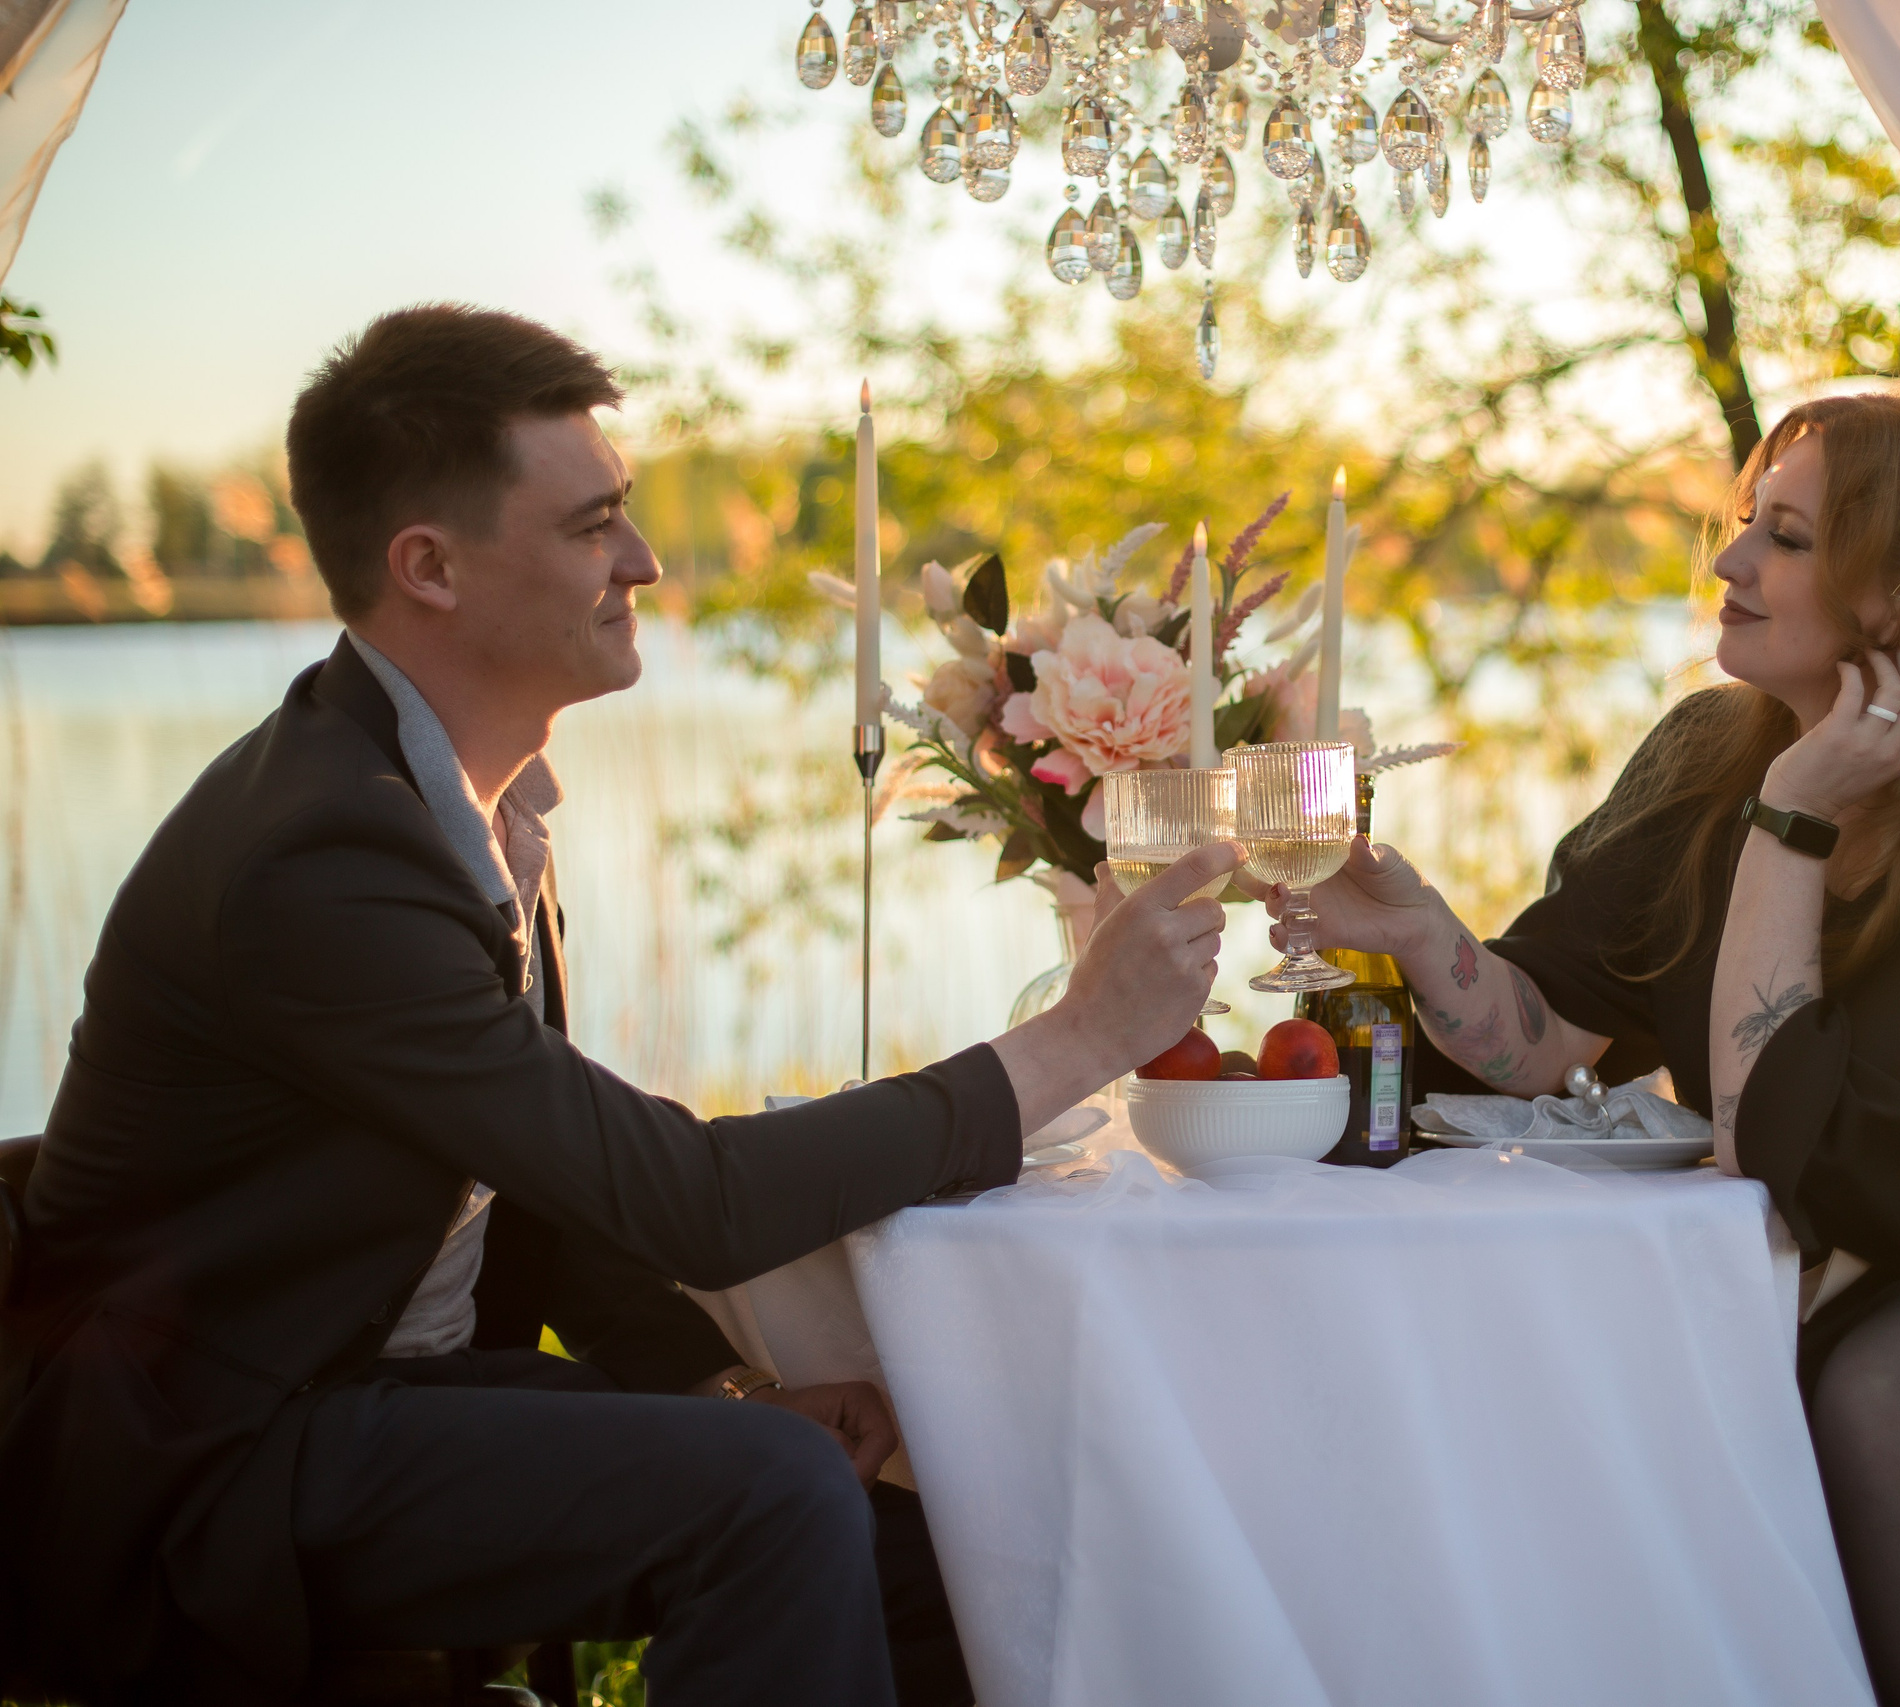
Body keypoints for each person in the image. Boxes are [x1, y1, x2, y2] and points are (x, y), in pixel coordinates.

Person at [0, 304, 1239, 1705]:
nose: (644, 561)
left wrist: (723, 1389)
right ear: (430, 567)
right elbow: (685, 1200)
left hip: (364, 1400)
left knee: (950, 1540)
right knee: (770, 1498)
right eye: (594, 526)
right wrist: (1079, 1038)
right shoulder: (321, 853)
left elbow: (540, 1191)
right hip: (206, 1464)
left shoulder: (458, 807)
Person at [1272, 389, 1900, 1706]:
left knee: (1891, 1389)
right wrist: (1417, 932)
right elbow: (1545, 1041)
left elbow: (1800, 1156)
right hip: (1825, 1249)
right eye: (1749, 521)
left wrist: (1792, 821)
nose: (1729, 561)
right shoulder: (1705, 755)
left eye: (1786, 538)